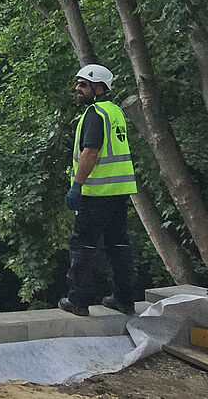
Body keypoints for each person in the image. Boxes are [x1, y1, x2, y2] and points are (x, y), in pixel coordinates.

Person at [59, 63, 140, 316]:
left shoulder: (95, 114)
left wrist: (77, 185)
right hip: (118, 193)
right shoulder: (115, 112)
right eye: (79, 84)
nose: (78, 89)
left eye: (83, 84)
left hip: (95, 195)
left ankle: (78, 301)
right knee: (119, 246)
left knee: (82, 247)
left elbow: (90, 152)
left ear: (99, 87)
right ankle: (125, 299)